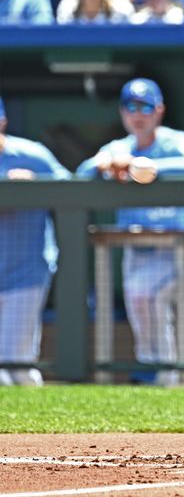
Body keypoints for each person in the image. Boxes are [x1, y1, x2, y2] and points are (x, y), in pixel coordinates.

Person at [76, 79, 184, 386]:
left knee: (148, 297)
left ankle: (164, 372)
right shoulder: (118, 148)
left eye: (145, 106)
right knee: (140, 303)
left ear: (159, 110)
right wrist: (104, 165)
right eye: (131, 107)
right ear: (123, 112)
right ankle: (156, 372)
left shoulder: (179, 142)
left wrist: (143, 166)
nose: (138, 114)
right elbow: (81, 173)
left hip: (180, 247)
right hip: (138, 248)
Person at [0, 95, 70, 386]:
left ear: (2, 121)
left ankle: (34, 426)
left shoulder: (31, 153)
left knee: (14, 364)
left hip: (26, 273)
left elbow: (72, 185)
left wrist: (34, 183)